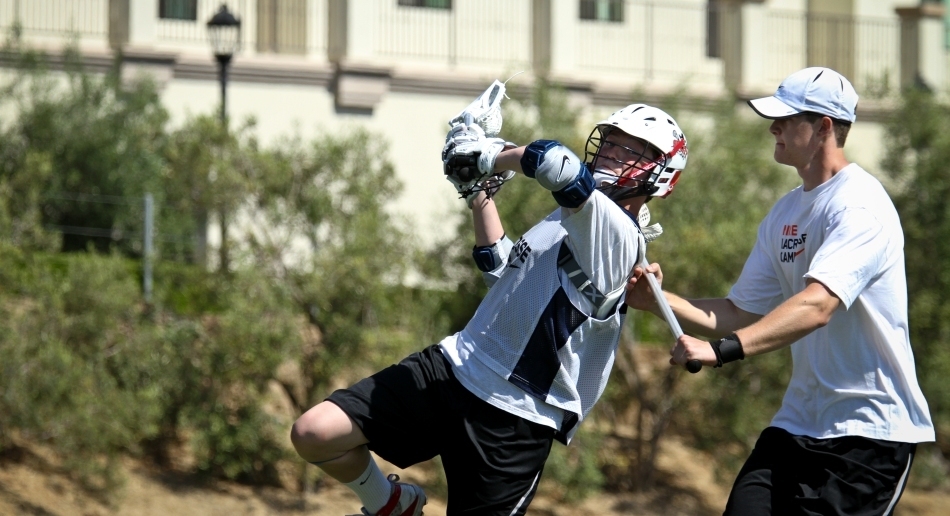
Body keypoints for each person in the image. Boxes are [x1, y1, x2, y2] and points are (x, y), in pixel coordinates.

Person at [289, 102, 689, 515]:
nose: (611, 153)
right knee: (315, 432)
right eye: (610, 142)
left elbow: (556, 163)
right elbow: (503, 272)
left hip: (516, 416)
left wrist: (488, 155)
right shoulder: (573, 216)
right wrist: (477, 187)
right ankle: (389, 504)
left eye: (631, 149)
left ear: (662, 174)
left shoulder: (619, 234)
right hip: (456, 367)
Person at [626, 67, 935, 515]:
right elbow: (738, 311)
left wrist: (722, 351)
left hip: (869, 437)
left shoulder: (861, 205)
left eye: (787, 119)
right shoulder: (786, 211)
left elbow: (817, 305)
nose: (774, 127)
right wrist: (656, 299)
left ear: (824, 127)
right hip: (796, 426)